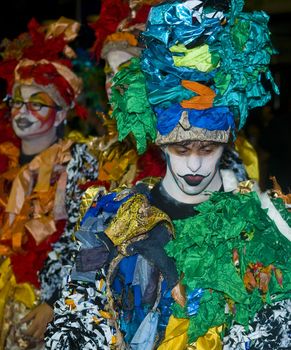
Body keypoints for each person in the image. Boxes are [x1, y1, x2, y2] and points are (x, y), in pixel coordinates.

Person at [46, 1, 290, 349]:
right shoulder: (107, 217)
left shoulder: (260, 229)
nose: (193, 165)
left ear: (226, 144)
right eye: (180, 149)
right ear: (160, 144)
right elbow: (78, 318)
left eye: (207, 149)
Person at [0, 17, 99, 349]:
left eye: (37, 103)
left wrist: (55, 302)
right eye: (17, 100)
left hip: (42, 311)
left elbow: (86, 237)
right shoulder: (4, 158)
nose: (22, 111)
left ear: (60, 113)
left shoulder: (78, 162)